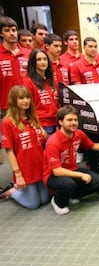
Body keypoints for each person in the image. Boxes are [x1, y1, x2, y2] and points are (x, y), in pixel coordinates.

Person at [43, 105, 99, 215]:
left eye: (75, 120)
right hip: (53, 175)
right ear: (60, 122)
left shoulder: (78, 134)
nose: (73, 123)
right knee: (69, 184)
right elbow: (57, 171)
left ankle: (72, 195)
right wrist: (81, 175)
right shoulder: (53, 142)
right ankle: (58, 202)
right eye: (69, 120)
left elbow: (92, 145)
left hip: (72, 169)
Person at [0, 85, 48, 208]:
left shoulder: (33, 117)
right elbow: (9, 151)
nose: (25, 101)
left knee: (45, 199)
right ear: (13, 100)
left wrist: (43, 133)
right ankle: (11, 191)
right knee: (33, 204)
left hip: (39, 165)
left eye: (27, 98)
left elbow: (42, 139)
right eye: (21, 98)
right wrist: (18, 174)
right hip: (24, 169)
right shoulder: (7, 123)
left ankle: (26, 190)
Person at [0, 16, 31, 163]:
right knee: (14, 143)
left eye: (14, 30)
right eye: (7, 30)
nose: (12, 33)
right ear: (1, 34)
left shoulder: (27, 53)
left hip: (29, 104)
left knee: (30, 141)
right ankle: (17, 174)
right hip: (8, 106)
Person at [23, 49, 59, 137]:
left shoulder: (51, 81)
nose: (43, 62)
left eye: (45, 59)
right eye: (39, 60)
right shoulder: (28, 82)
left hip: (57, 123)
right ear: (33, 63)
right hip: (42, 125)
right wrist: (38, 127)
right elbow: (27, 108)